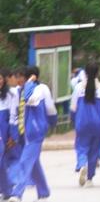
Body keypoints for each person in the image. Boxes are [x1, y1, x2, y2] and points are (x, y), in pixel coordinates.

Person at [8, 66, 57, 202]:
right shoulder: (17, 92)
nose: (18, 80)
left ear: (31, 77)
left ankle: (17, 193)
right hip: (22, 132)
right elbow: (14, 112)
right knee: (33, 163)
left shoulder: (40, 89)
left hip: (35, 132)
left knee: (25, 161)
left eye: (21, 77)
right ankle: (44, 191)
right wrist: (13, 131)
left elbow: (49, 108)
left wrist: (52, 123)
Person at [70, 63, 100, 187]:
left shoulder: (79, 88)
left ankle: (81, 164)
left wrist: (73, 120)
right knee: (94, 150)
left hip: (82, 122)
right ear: (98, 73)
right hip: (98, 124)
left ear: (85, 73)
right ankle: (90, 178)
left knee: (81, 146)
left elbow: (73, 107)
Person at [0, 68, 17, 197]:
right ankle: (7, 189)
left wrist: (12, 134)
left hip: (4, 130)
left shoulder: (11, 94)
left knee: (3, 160)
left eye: (0, 78)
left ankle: (7, 188)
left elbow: (13, 115)